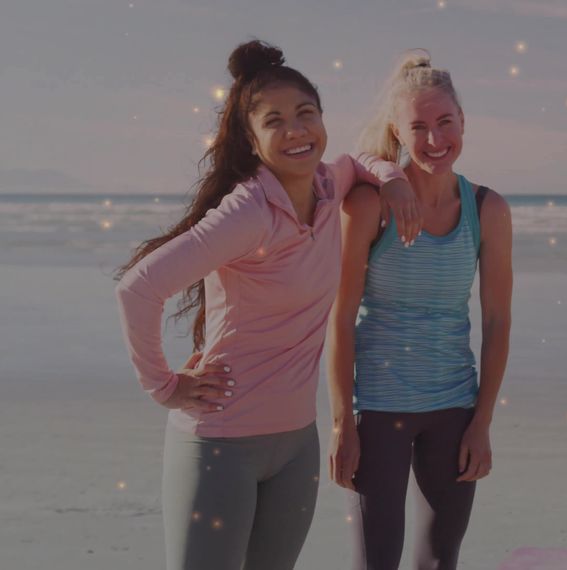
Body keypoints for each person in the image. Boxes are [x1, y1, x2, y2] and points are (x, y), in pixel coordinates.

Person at [114, 39, 420, 570]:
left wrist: (392, 178)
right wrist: (163, 386)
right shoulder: (248, 213)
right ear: (252, 141)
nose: (297, 130)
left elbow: (360, 161)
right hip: (220, 445)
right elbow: (138, 288)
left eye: (307, 114)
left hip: (296, 444)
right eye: (275, 121)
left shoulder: (330, 185)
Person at [325, 50, 513, 570]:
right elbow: (339, 318)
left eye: (445, 123)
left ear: (463, 122)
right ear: (397, 131)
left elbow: (497, 321)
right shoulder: (367, 207)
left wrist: (482, 421)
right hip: (379, 411)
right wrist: (343, 423)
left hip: (454, 408)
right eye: (419, 127)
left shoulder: (487, 209)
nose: (435, 140)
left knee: (439, 561)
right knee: (376, 561)